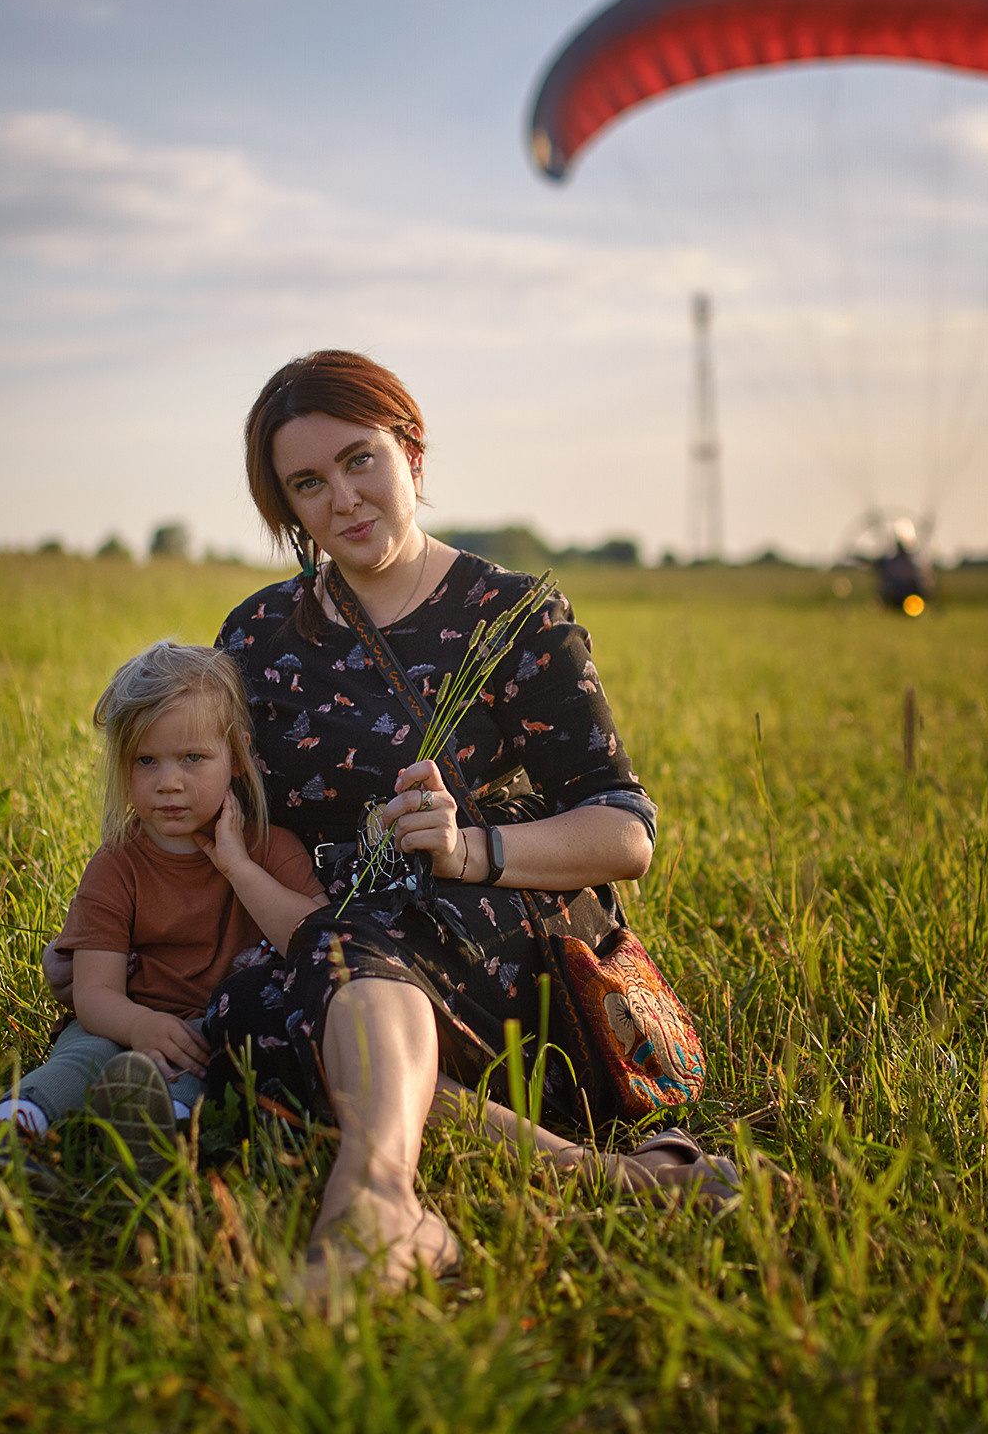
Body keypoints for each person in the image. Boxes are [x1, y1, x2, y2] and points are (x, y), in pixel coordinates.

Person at [204, 348, 741, 1299]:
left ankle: (370, 1201)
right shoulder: (257, 635)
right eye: (308, 483)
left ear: (411, 450)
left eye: (361, 459)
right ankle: (603, 1179)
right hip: (333, 928)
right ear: (287, 509)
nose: (344, 499)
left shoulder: (511, 615)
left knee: (328, 966)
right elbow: (224, 810)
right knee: (252, 1015)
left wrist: (469, 847)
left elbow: (625, 831)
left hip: (501, 925)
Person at [0, 641, 325, 1178]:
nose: (169, 781)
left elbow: (317, 945)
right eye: (147, 761)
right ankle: (6, 1130)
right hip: (120, 1021)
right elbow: (93, 993)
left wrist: (237, 868)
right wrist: (139, 1026)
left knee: (199, 1072)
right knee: (80, 1058)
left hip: (211, 1033)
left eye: (192, 758)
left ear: (235, 757)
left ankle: (154, 1143)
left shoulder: (272, 849)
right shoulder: (119, 862)